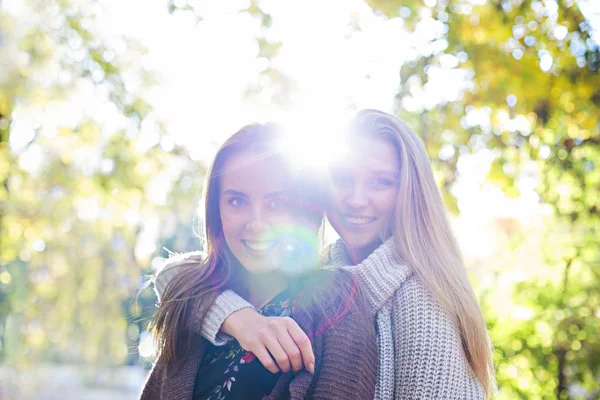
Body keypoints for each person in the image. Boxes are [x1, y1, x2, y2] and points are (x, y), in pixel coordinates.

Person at [155, 110, 496, 399]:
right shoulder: (330, 271)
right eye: (342, 178)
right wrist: (239, 318)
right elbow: (174, 276)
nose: (356, 199)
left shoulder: (421, 299)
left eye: (381, 182)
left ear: (409, 190)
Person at [141, 123, 378, 400]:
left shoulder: (337, 299)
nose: (256, 225)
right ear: (216, 208)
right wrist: (241, 320)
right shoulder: (196, 300)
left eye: (276, 204)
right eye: (237, 202)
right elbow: (173, 275)